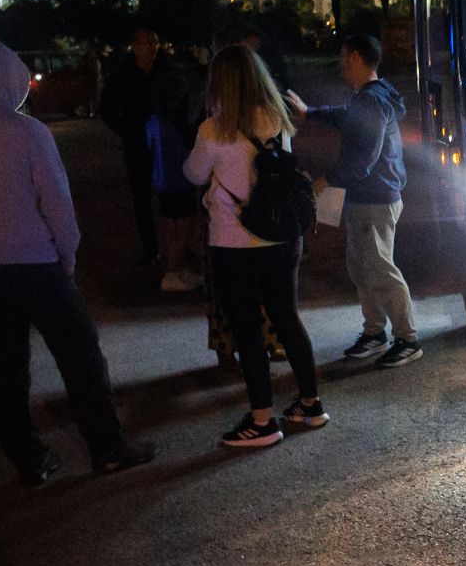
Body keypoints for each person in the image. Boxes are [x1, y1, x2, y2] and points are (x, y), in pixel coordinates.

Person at [0, 38, 156, 484]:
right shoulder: (28, 132)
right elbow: (56, 202)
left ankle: (28, 457)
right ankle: (108, 446)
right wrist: (67, 255)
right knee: (79, 354)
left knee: (4, 367)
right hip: (37, 264)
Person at [183, 45, 325, 447]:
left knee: (247, 329)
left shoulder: (214, 128)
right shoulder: (278, 119)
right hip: (283, 237)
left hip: (234, 241)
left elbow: (193, 174)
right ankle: (310, 403)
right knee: (286, 317)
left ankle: (263, 420)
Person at [284, 35, 419, 368]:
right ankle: (375, 332)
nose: (340, 65)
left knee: (379, 268)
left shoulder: (371, 101)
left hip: (375, 197)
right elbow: (345, 115)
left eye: (343, 58)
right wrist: (310, 112)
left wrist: (326, 180)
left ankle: (407, 338)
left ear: (358, 58)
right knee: (361, 267)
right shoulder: (370, 98)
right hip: (368, 196)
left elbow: (364, 160)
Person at [99, 26, 162, 265]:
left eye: (155, 43)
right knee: (142, 197)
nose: (152, 48)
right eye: (147, 43)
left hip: (165, 143)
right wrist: (126, 130)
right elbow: (107, 108)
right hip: (137, 142)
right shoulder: (122, 75)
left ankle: (177, 243)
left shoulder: (164, 70)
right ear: (134, 47)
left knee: (173, 196)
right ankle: (150, 248)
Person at [148, 64, 204, 292]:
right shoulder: (179, 123)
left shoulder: (153, 120)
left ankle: (176, 270)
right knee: (184, 230)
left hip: (162, 181)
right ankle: (172, 273)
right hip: (180, 181)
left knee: (170, 229)